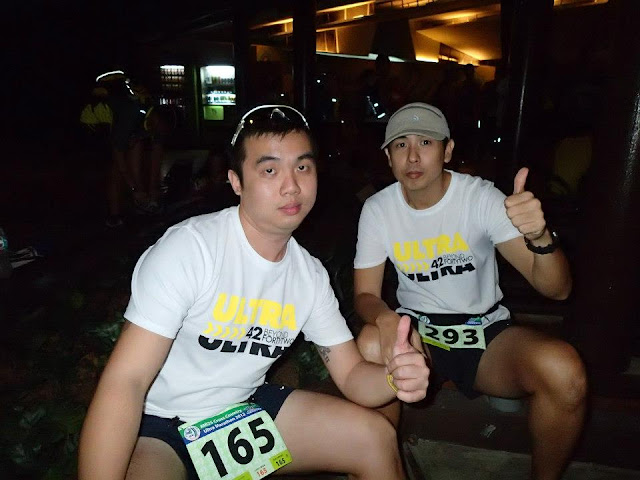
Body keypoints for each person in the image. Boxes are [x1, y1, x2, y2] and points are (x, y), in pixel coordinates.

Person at [78, 104, 429, 480]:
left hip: (243, 410)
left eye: (303, 167)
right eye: (270, 170)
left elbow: (353, 374)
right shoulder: (192, 250)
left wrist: (395, 376)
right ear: (236, 181)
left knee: (375, 437)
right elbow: (126, 381)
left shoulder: (308, 276)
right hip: (160, 427)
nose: (291, 186)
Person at [353, 102, 587, 480]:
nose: (412, 156)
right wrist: (384, 319)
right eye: (400, 144)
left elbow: (557, 290)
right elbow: (365, 295)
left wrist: (540, 235)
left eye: (425, 142)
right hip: (418, 335)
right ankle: (384, 465)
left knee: (565, 371)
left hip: (485, 334)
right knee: (368, 343)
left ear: (447, 150)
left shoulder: (479, 197)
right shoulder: (378, 209)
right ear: (388, 157)